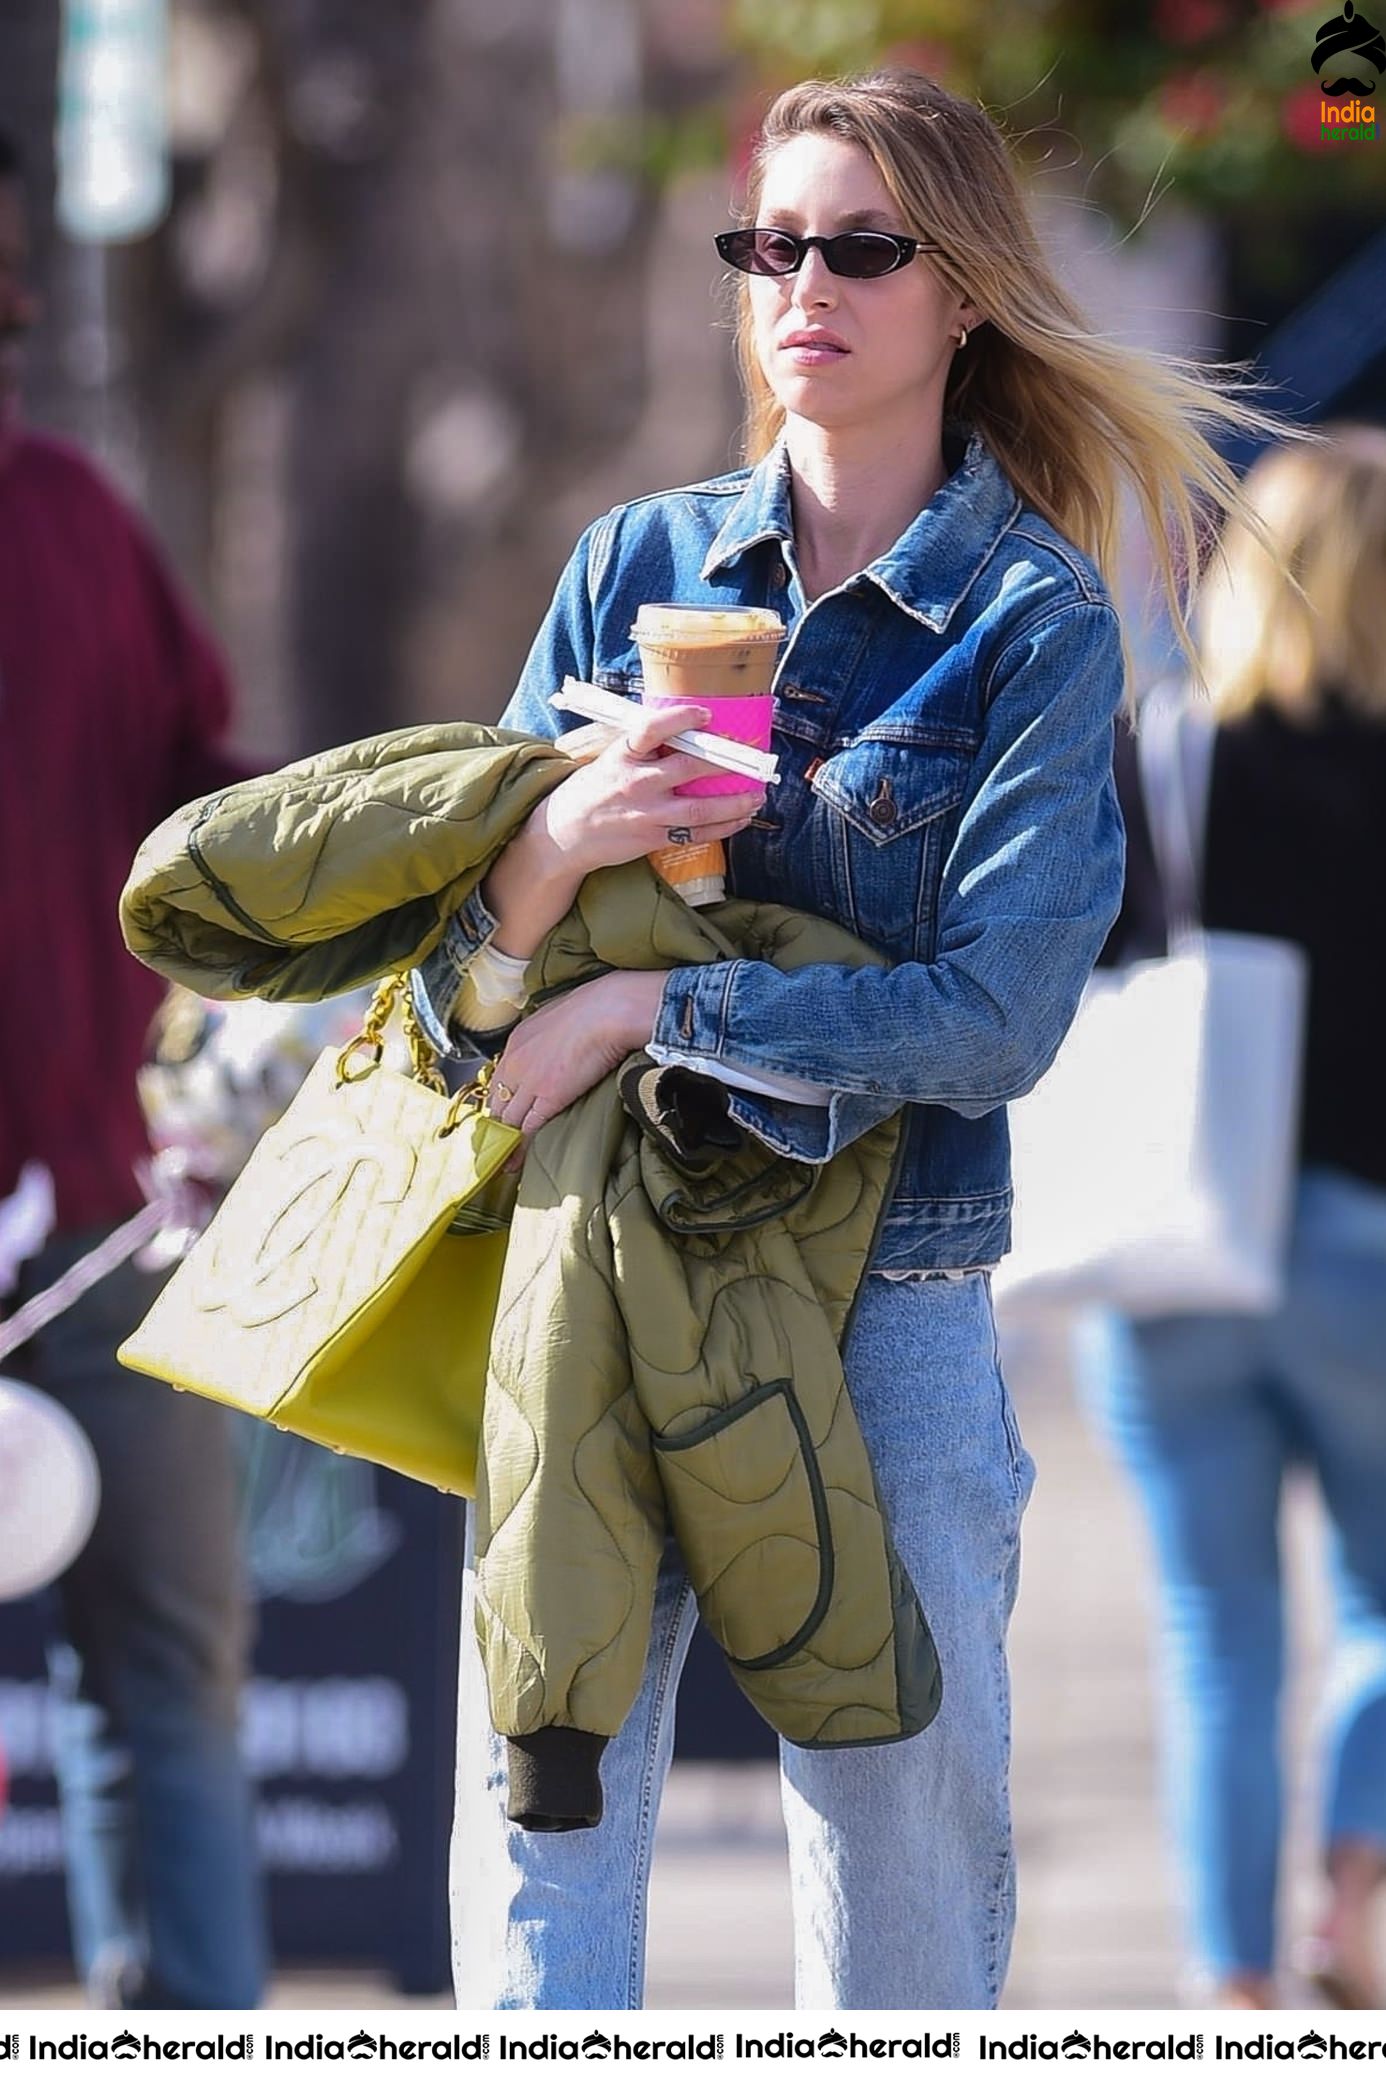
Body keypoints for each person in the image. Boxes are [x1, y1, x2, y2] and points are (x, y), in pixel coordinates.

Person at [413, 67, 1284, 2010]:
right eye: (769, 243)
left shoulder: (1029, 623)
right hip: (597, 1263)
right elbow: (450, 1001)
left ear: (961, 288)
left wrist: (661, 1000)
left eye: (860, 246)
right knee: (541, 1803)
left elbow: (996, 1018)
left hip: (891, 1278)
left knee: (898, 1834)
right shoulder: (629, 572)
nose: (801, 281)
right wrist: (554, 844)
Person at [0, 128, 267, 2008]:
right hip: (100, 1207)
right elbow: (223, 837)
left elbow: (207, 823)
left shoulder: (77, 515)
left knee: (160, 1685)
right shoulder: (75, 518)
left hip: (103, 1210)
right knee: (160, 1684)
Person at [1080, 426, 1386, 2012]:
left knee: (1213, 1630)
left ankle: (1235, 1984)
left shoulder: (1166, 760)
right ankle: (1355, 1885)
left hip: (1178, 1245)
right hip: (1364, 1249)